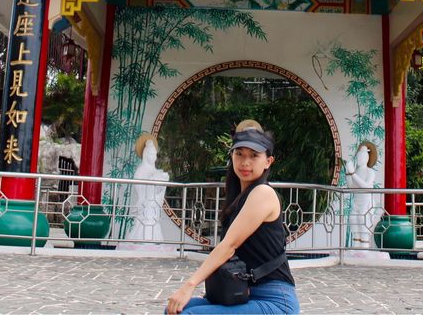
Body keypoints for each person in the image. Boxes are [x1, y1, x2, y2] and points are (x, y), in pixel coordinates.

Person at [166, 125, 299, 314]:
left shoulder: (263, 193)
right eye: (239, 154)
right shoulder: (239, 197)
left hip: (275, 301)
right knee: (173, 310)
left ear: (268, 161)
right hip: (241, 294)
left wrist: (189, 285)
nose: (245, 162)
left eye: (254, 155)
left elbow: (228, 246)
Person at [125, 133, 169, 243]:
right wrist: (152, 179)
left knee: (153, 223)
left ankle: (152, 241)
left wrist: (162, 178)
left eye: (154, 155)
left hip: (153, 204)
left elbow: (158, 187)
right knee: (145, 222)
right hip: (145, 204)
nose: (153, 157)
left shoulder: (154, 170)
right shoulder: (140, 170)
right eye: (151, 154)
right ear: (145, 155)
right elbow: (139, 187)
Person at [345, 141, 377, 248]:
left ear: (367, 157)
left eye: (362, 156)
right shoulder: (357, 171)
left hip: (366, 202)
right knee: (353, 220)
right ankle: (356, 245)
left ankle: (364, 247)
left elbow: (366, 186)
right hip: (356, 201)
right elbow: (351, 187)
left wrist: (353, 174)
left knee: (362, 221)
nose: (359, 158)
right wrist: (348, 173)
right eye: (358, 156)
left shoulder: (370, 172)